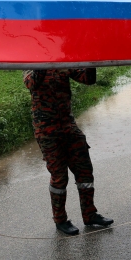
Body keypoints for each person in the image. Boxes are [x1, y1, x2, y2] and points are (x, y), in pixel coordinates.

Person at [24, 68, 114, 236]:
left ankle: (90, 214)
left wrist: (90, 60)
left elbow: (88, 79)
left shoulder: (63, 62)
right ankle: (60, 220)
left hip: (68, 126)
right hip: (47, 130)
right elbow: (31, 83)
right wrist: (44, 61)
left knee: (85, 170)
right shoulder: (31, 62)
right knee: (59, 176)